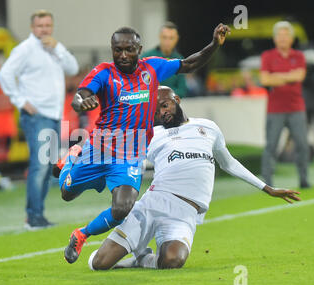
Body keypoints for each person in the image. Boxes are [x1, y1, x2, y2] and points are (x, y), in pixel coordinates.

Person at [57, 23, 231, 264]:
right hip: (98, 150)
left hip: (128, 156)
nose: (123, 55)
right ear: (112, 49)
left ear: (139, 49)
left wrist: (214, 45)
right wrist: (81, 102)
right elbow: (82, 94)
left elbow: (189, 63)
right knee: (66, 193)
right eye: (117, 50)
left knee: (122, 208)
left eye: (129, 49)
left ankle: (81, 234)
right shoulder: (103, 72)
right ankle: (70, 160)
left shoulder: (152, 68)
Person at [88, 86, 301, 271]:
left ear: (177, 100)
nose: (163, 113)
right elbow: (124, 160)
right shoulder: (152, 135)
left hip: (184, 214)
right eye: (157, 111)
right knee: (99, 263)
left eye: (165, 105)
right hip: (153, 205)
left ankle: (141, 259)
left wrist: (266, 188)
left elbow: (228, 163)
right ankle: (123, 247)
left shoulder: (208, 127)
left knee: (172, 260)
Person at [0, 10, 79, 230]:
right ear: (32, 28)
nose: (44, 29)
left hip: (53, 116)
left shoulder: (54, 49)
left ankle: (37, 215)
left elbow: (72, 68)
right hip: (37, 116)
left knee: (47, 167)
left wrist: (58, 48)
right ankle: (33, 217)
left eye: (47, 25)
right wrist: (20, 100)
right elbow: (5, 74)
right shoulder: (25, 49)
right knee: (40, 166)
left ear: (51, 27)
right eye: (40, 26)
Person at [259, 21, 310, 189]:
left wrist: (277, 77)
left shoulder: (299, 56)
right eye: (279, 36)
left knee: (302, 145)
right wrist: (290, 75)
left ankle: (304, 179)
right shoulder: (267, 56)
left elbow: (300, 76)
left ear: (291, 38)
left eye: (285, 35)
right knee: (271, 146)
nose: (282, 39)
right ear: (274, 39)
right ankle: (267, 182)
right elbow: (265, 79)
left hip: (297, 108)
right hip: (275, 109)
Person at [141, 22, 187, 98]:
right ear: (160, 37)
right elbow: (140, 87)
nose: (167, 41)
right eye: (164, 37)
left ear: (177, 39)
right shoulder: (147, 58)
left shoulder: (180, 59)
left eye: (171, 38)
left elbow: (182, 90)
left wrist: (159, 90)